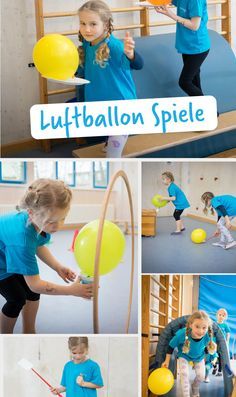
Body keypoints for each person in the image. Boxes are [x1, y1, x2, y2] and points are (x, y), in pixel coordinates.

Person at [0, 179, 93, 334]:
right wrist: (72, 290)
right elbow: (35, 283)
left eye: (62, 219)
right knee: (16, 298)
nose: (58, 226)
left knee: (32, 293)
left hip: (9, 252)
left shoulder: (40, 224)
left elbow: (38, 244)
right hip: (2, 262)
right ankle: (5, 336)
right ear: (31, 213)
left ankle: (29, 331)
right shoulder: (22, 239)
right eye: (51, 221)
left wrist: (57, 267)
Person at [77, 0, 143, 157]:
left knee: (112, 158)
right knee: (106, 126)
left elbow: (139, 64)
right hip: (101, 100)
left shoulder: (114, 45)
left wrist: (131, 54)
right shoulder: (88, 44)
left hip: (121, 104)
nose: (87, 29)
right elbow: (85, 69)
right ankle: (109, 142)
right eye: (83, 23)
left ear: (105, 24)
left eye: (93, 24)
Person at [154, 1, 210, 97]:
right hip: (187, 46)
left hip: (198, 46)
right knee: (194, 82)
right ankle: (203, 110)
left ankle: (210, 109)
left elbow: (194, 26)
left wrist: (170, 14)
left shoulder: (196, 1)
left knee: (185, 82)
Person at [162, 310, 216, 397]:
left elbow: (209, 349)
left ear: (207, 327)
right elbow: (171, 346)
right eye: (197, 326)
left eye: (204, 328)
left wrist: (211, 356)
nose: (200, 331)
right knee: (184, 373)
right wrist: (167, 361)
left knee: (201, 376)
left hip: (199, 357)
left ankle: (195, 387)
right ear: (191, 325)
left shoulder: (207, 336)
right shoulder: (182, 334)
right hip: (184, 355)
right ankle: (186, 395)